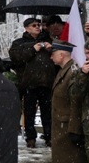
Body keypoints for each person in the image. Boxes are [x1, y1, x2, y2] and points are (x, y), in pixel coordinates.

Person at [49, 41, 89, 163]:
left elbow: (75, 102)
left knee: (76, 162)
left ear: (62, 55)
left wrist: (74, 128)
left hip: (69, 123)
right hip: (62, 123)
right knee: (67, 162)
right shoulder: (63, 71)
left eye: (53, 53)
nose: (51, 57)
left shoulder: (72, 72)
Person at [9, 17, 56, 148]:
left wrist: (51, 48)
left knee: (47, 111)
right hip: (29, 83)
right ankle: (30, 137)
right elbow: (16, 59)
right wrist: (32, 49)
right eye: (34, 25)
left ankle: (49, 136)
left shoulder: (48, 41)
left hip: (46, 82)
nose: (37, 27)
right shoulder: (19, 43)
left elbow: (59, 57)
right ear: (26, 28)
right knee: (29, 111)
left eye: (39, 25)